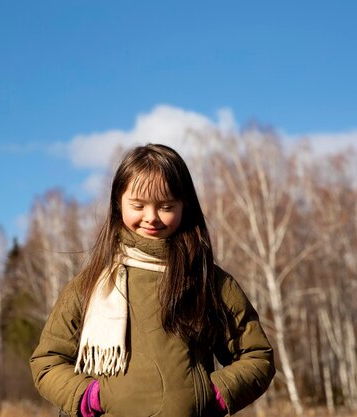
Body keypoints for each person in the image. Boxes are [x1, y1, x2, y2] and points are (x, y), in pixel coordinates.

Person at [30, 143, 275, 417]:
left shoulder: (210, 282)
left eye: (166, 206)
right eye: (138, 205)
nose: (151, 217)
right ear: (118, 203)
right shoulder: (87, 286)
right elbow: (47, 363)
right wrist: (92, 397)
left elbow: (257, 356)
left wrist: (209, 395)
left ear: (184, 206)